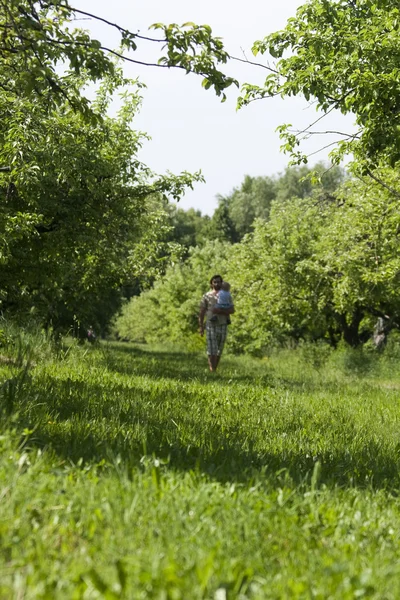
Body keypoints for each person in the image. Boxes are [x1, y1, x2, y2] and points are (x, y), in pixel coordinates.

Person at [199, 275, 235, 372]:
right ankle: (212, 369)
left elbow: (232, 310)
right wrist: (201, 326)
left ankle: (214, 368)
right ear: (211, 283)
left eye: (218, 282)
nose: (216, 284)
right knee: (212, 348)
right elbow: (202, 312)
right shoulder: (207, 296)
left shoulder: (227, 295)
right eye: (214, 282)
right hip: (210, 324)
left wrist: (221, 311)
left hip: (223, 323)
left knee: (219, 349)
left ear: (221, 283)